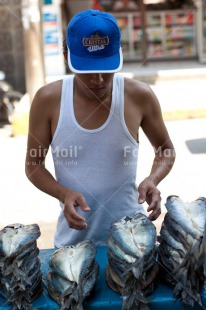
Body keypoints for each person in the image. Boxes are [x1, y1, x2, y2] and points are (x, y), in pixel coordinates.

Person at [25, 9, 175, 248]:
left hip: (133, 241)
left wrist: (152, 179)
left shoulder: (139, 96)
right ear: (67, 56)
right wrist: (62, 193)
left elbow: (166, 150)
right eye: (87, 70)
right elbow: (33, 164)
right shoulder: (48, 99)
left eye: (106, 68)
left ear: (118, 55)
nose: (98, 80)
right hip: (72, 243)